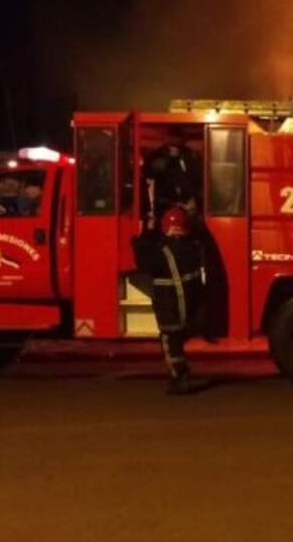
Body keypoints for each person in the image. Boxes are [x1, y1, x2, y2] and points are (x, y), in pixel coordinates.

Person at [132, 206, 209, 395]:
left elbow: (143, 262)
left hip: (169, 307)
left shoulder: (162, 250)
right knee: (176, 343)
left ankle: (178, 379)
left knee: (171, 345)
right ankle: (182, 375)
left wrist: (143, 235)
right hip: (187, 306)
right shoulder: (192, 246)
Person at [143, 127, 201, 224]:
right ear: (166, 141)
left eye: (178, 142)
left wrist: (193, 200)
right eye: (172, 142)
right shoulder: (157, 156)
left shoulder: (190, 157)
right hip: (163, 206)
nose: (174, 146)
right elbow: (147, 176)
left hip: (187, 206)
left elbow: (198, 181)